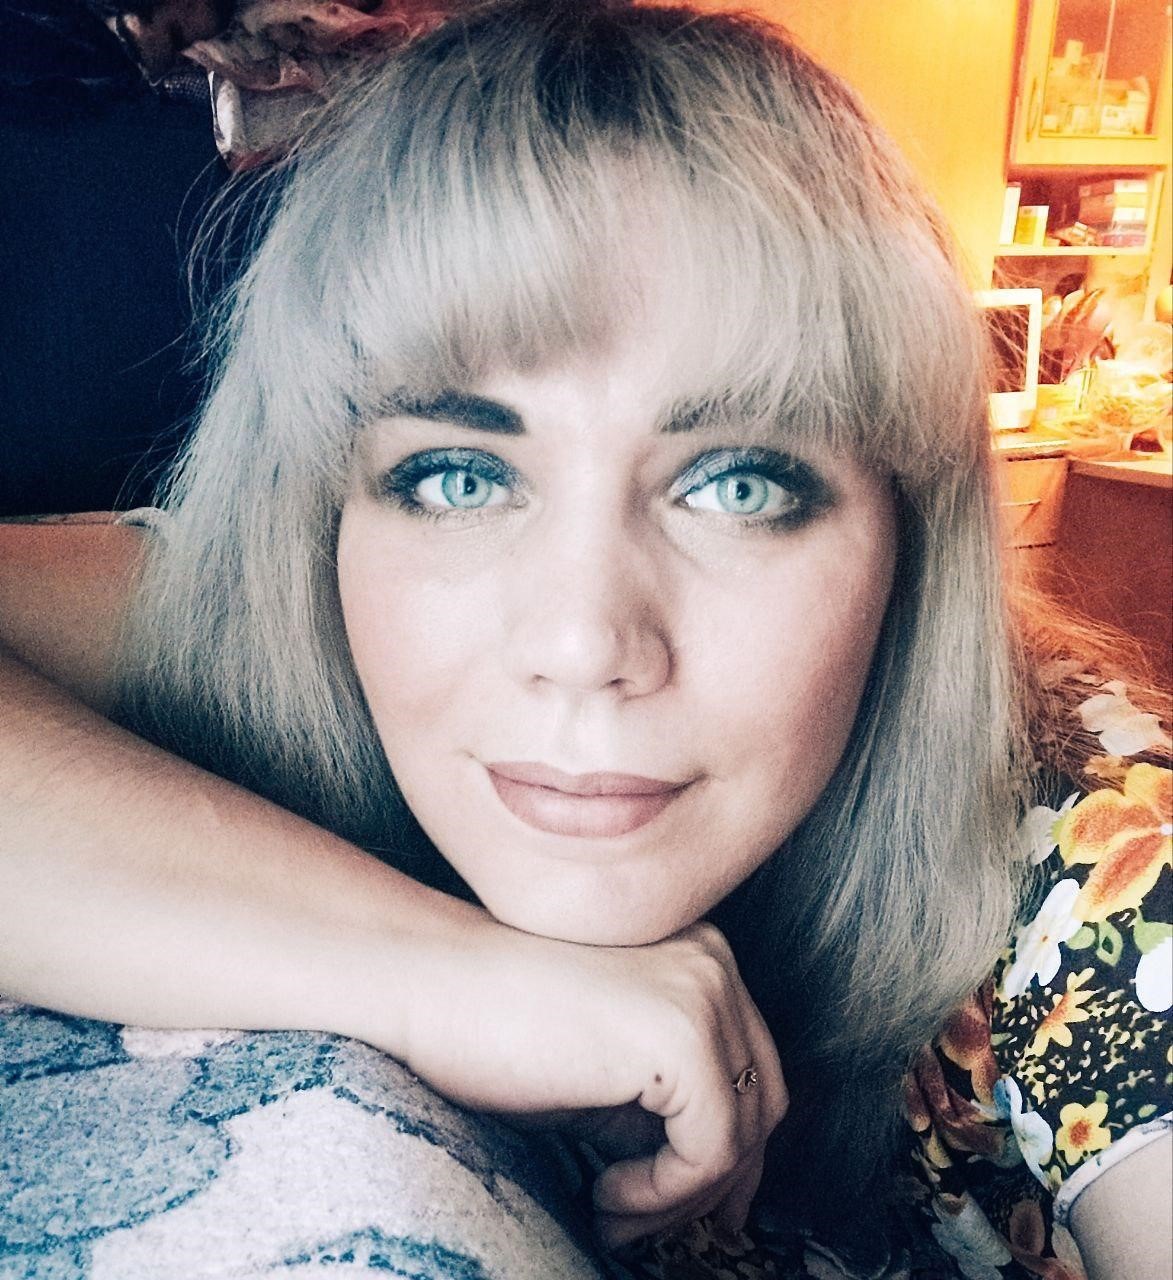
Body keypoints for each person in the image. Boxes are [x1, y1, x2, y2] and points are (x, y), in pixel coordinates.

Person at [0, 3, 1169, 1277]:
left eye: (737, 483)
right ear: (323, 518)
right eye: (458, 476)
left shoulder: (1112, 870)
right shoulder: (286, 603)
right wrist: (434, 973)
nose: (581, 640)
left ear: (908, 531)